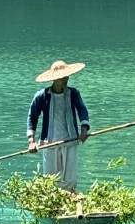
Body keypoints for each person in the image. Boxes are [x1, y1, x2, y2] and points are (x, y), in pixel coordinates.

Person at [27, 59, 90, 192]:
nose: (66, 79)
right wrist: (31, 141)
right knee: (50, 180)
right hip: (49, 143)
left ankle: (71, 198)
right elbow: (32, 117)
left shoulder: (73, 94)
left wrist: (84, 129)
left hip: (70, 140)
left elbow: (82, 110)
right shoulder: (42, 96)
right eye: (63, 77)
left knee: (70, 180)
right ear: (55, 79)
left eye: (67, 76)